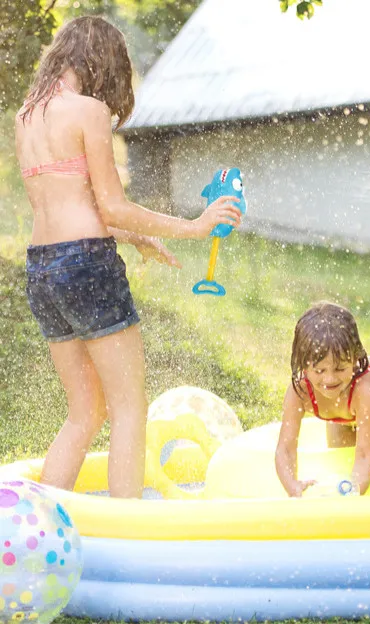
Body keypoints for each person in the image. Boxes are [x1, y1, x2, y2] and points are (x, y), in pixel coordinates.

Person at [15, 16, 242, 499]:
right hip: (87, 266)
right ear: (102, 63)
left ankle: (39, 516)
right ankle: (127, 527)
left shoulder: (26, 117)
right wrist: (194, 226)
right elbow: (110, 206)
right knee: (127, 407)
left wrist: (131, 237)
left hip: (42, 270)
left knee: (85, 411)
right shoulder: (88, 111)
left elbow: (66, 208)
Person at [275, 301, 370, 497]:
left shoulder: (364, 389)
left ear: (355, 360)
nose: (329, 379)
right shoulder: (300, 391)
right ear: (303, 365)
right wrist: (293, 488)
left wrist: (352, 493)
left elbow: (365, 455)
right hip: (345, 414)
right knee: (342, 465)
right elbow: (285, 449)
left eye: (340, 369)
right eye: (319, 370)